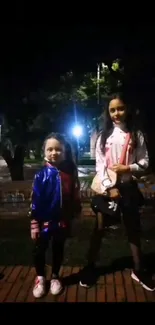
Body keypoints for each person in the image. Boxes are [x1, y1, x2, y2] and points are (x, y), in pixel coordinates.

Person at [80, 92, 155, 291]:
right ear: (108, 112)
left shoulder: (136, 134)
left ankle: (138, 270)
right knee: (99, 228)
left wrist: (128, 169)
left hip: (128, 188)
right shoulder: (102, 136)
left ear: (127, 109)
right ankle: (90, 267)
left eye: (120, 108)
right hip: (107, 190)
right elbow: (100, 165)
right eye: (112, 109)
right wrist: (109, 187)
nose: (116, 113)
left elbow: (145, 161)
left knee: (133, 228)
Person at [29, 133, 81, 298]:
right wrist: (35, 223)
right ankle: (40, 277)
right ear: (44, 151)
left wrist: (76, 214)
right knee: (39, 250)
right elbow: (35, 201)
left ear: (64, 151)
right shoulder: (40, 175)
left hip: (62, 221)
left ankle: (55, 276)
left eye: (58, 149)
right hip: (43, 222)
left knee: (58, 249)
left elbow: (75, 195)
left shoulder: (69, 172)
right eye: (50, 149)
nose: (54, 152)